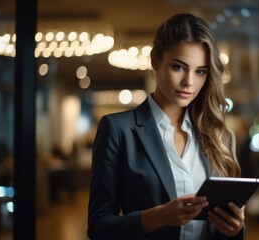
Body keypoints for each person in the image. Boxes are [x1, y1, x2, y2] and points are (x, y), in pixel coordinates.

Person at [87, 13, 245, 240]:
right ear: (155, 60)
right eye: (179, 67)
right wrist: (158, 217)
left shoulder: (219, 136)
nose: (189, 82)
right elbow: (99, 228)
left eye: (200, 71)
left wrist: (235, 229)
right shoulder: (117, 130)